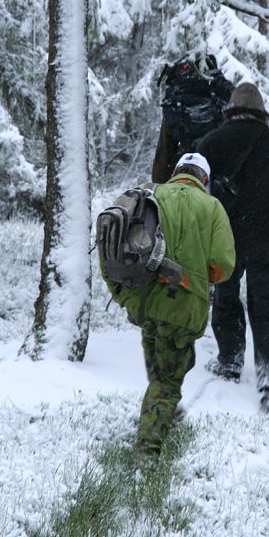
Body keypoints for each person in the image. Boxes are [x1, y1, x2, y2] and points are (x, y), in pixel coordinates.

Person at [101, 153, 235, 456]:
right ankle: (147, 451)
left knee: (161, 367)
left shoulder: (152, 193)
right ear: (204, 180)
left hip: (145, 302)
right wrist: (198, 276)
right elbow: (222, 265)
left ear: (176, 173)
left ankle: (162, 413)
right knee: (167, 381)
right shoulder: (212, 206)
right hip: (181, 309)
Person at [197, 83, 269, 414]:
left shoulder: (211, 144)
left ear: (230, 111)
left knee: (226, 298)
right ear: (263, 114)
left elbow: (191, 188)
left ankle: (229, 360)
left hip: (225, 240)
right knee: (267, 307)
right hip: (267, 241)